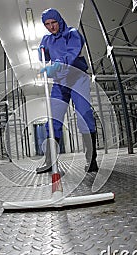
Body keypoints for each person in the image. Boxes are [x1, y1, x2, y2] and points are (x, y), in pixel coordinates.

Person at [36, 8, 98, 174]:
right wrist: (41, 51)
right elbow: (44, 57)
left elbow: (71, 55)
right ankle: (50, 161)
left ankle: (91, 160)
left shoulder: (72, 33)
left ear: (60, 20)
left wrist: (56, 66)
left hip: (77, 77)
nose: (51, 27)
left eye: (53, 22)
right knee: (53, 119)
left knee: (84, 115)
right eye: (47, 24)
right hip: (60, 81)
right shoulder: (47, 39)